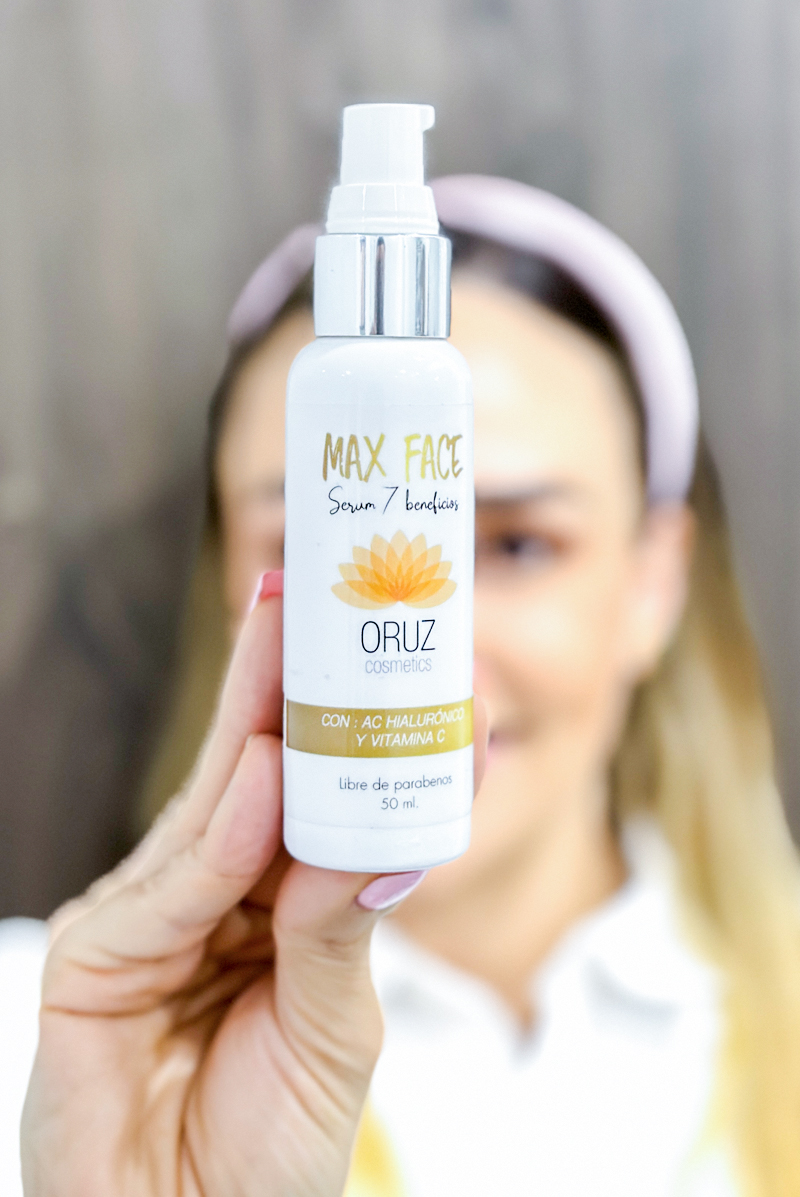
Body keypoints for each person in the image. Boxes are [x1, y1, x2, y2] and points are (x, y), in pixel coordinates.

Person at [5, 177, 800, 1197]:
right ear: (237, 589)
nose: (421, 648)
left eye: (519, 544)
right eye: (320, 534)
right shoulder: (53, 1045)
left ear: (654, 583)